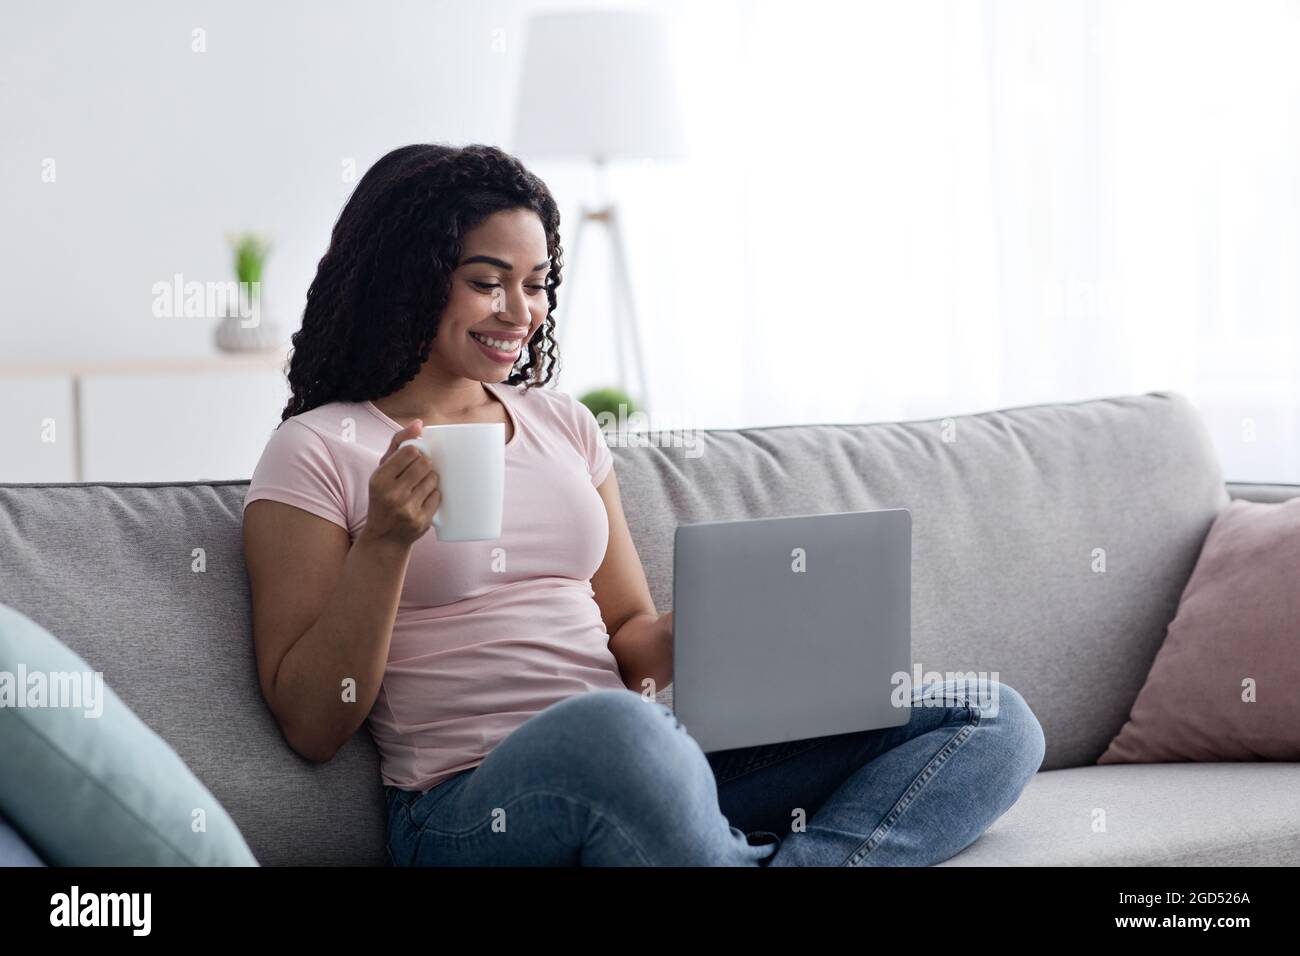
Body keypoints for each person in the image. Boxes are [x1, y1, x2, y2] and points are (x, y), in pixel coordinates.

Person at [242, 142, 1046, 866]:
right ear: (409, 280)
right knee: (615, 730)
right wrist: (386, 543)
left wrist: (716, 629)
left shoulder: (565, 426)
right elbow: (314, 723)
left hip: (649, 760)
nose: (521, 313)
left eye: (536, 284)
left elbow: (629, 639)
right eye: (487, 283)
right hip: (467, 807)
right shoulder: (319, 449)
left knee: (989, 713)